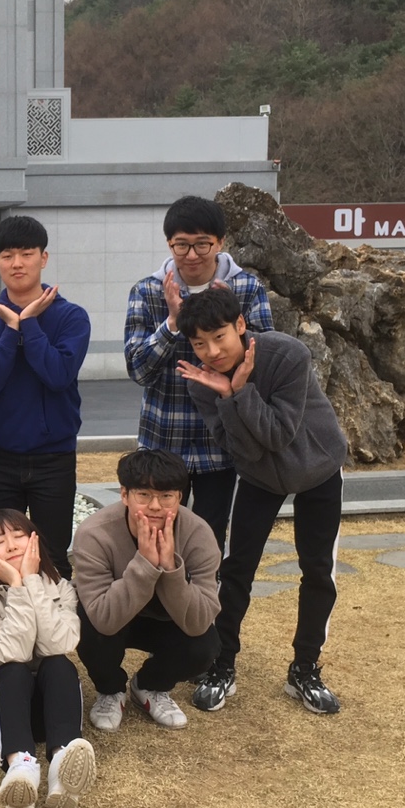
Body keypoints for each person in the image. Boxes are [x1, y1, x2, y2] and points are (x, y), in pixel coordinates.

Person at [175, 287, 348, 715]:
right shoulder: (203, 383)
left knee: (318, 570)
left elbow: (276, 434)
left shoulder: (287, 355)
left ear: (240, 325)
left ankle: (304, 669)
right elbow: (246, 451)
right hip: (258, 476)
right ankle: (222, 663)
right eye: (200, 344)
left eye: (219, 337)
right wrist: (224, 395)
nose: (212, 352)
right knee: (236, 568)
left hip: (319, 466)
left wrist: (237, 393)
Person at [124, 195, 273, 551]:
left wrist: (227, 322)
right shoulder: (147, 291)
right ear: (169, 244)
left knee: (209, 539)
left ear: (220, 242)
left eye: (202, 244)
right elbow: (138, 370)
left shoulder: (246, 289)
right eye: (182, 245)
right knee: (153, 534)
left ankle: (205, 590)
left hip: (221, 440)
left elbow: (262, 364)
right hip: (163, 436)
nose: (192, 255)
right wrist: (172, 324)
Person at [0, 215, 90, 579]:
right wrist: (11, 329)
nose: (17, 263)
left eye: (26, 253)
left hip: (54, 458)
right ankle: (1, 618)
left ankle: (56, 618)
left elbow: (58, 375)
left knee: (53, 556)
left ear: (43, 258)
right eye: (7, 256)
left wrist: (30, 324)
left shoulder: (71, 317)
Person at [0, 510, 95, 808]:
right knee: (14, 671)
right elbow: (13, 651)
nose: (12, 545)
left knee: (59, 665)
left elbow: (59, 645)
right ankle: (20, 765)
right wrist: (16, 586)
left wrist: (31, 582)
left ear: (35, 542)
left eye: (19, 536)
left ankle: (62, 763)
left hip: (40, 713)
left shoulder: (61, 588)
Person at [70, 449, 221, 732]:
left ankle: (150, 686)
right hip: (115, 618)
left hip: (168, 619)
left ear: (179, 497)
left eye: (166, 496)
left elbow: (199, 621)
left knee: (205, 647)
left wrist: (170, 568)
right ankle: (111, 690)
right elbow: (103, 619)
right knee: (87, 626)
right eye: (143, 495)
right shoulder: (95, 534)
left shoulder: (198, 534)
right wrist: (145, 563)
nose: (155, 506)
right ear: (124, 495)